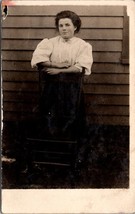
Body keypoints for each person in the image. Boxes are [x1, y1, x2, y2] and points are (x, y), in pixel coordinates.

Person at [31, 10, 93, 139]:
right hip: (51, 87)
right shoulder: (50, 43)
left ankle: (68, 141)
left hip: (72, 87)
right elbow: (38, 60)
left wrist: (60, 71)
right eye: (61, 26)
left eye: (67, 25)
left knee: (70, 114)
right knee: (49, 114)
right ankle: (50, 142)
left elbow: (80, 67)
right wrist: (56, 65)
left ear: (75, 27)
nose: (64, 29)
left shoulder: (83, 46)